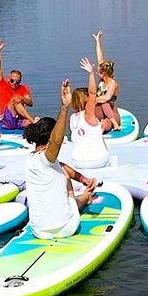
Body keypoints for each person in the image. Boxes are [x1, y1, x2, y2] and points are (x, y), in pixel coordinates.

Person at [22, 79, 99, 240]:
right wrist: (65, 108)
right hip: (65, 228)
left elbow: (61, 165)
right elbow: (56, 142)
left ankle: (84, 194)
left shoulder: (33, 160)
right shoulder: (46, 158)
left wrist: (83, 178)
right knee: (66, 181)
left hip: (39, 231)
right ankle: (86, 197)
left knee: (62, 171)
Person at [65, 57, 111, 169]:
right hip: (97, 160)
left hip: (77, 161)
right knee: (105, 123)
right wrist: (91, 74)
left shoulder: (72, 118)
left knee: (100, 126)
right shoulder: (88, 115)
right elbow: (92, 93)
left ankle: (102, 126)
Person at [0, 38, 35, 130]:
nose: (14, 83)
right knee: (15, 99)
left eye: (17, 82)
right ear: (9, 79)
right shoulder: (2, 84)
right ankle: (34, 122)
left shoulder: (23, 88)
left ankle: (34, 124)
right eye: (12, 81)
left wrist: (22, 98)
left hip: (18, 119)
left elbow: (30, 103)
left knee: (28, 123)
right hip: (6, 120)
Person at [92, 30, 121, 132]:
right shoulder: (101, 80)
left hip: (112, 113)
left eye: (98, 72)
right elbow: (100, 58)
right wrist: (98, 42)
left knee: (105, 104)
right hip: (99, 111)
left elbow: (107, 97)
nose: (96, 73)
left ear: (103, 73)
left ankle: (112, 125)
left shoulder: (113, 83)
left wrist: (92, 99)